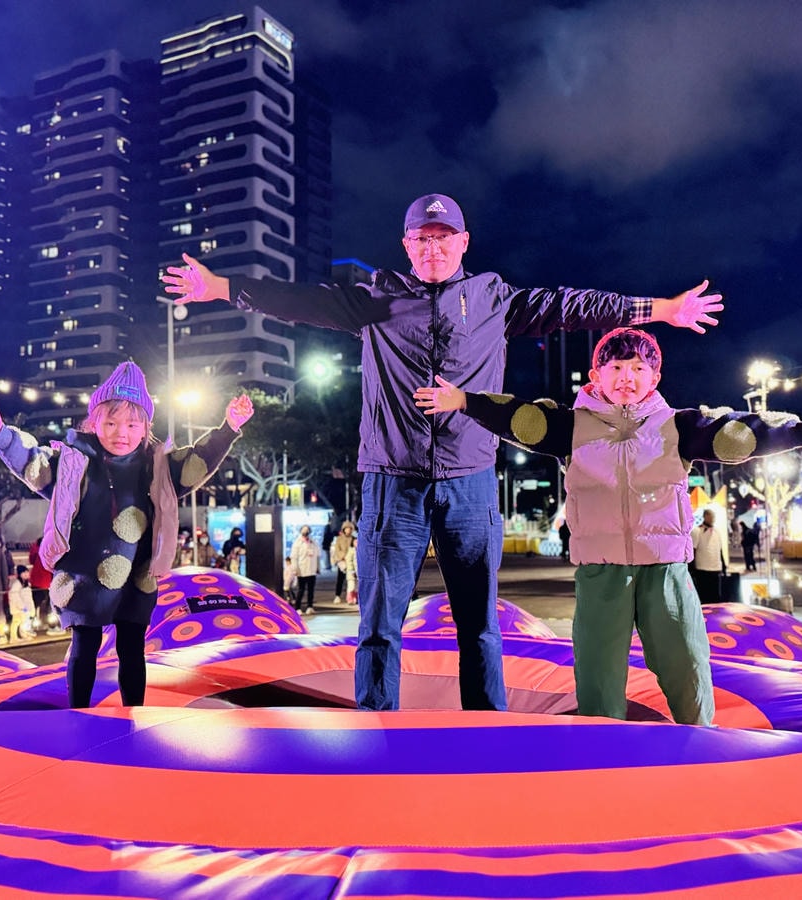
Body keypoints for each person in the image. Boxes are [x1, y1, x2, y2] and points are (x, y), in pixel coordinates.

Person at [163, 192, 723, 712]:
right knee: (380, 622)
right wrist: (220, 287)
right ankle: (374, 725)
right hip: (391, 479)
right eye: (421, 239)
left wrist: (659, 309)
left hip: (471, 480)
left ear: (463, 242)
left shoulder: (492, 299)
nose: (433, 248)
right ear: (408, 246)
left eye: (443, 237)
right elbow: (299, 301)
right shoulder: (376, 299)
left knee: (479, 622)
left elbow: (571, 306)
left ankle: (489, 724)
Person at [415, 326, 802, 724]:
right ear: (596, 375)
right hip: (601, 570)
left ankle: (700, 736)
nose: (627, 376)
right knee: (598, 667)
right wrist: (463, 401)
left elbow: (739, 434)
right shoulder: (568, 426)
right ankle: (600, 747)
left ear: (654, 379)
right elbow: (520, 417)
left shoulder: (678, 426)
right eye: (615, 367)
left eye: (638, 368)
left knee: (685, 659)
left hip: (665, 568)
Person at [0, 360, 254, 708]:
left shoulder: (157, 464)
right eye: (111, 422)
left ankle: (134, 714)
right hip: (83, 574)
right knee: (84, 646)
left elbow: (197, 462)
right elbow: (33, 461)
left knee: (132, 647)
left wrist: (228, 429)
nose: (122, 432)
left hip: (137, 574)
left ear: (146, 426)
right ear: (94, 421)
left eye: (133, 424)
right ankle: (78, 714)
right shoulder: (75, 461)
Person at [691, 509, 726, 604]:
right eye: (711, 516)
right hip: (702, 569)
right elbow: (692, 551)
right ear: (705, 516)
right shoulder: (697, 531)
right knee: (704, 596)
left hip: (715, 568)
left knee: (716, 597)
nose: (713, 519)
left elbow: (719, 550)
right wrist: (692, 569)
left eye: (714, 516)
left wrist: (723, 566)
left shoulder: (717, 531)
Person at [289, 525, 320, 615]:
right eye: (304, 530)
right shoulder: (297, 543)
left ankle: (310, 606)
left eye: (307, 530)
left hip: (312, 569)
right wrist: (295, 569)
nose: (306, 532)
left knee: (311, 589)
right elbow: (294, 557)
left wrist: (318, 567)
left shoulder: (313, 542)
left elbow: (317, 555)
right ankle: (297, 607)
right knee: (301, 589)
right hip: (301, 570)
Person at [27, 537, 54, 623]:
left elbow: (31, 561)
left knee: (35, 603)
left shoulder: (35, 546)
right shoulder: (52, 546)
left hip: (37, 579)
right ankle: (51, 624)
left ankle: (34, 622)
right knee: (50, 604)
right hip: (49, 580)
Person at [329, 521, 355, 603]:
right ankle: (337, 595)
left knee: (351, 580)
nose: (348, 530)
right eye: (347, 528)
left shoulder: (354, 539)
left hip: (352, 562)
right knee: (340, 579)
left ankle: (351, 597)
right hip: (342, 562)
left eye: (350, 528)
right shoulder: (339, 539)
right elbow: (337, 550)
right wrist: (343, 556)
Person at [8, 565, 35, 640]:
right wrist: (22, 607)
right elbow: (14, 596)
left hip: (24, 608)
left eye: (27, 572)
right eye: (24, 572)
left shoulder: (27, 584)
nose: (26, 574)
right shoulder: (17, 584)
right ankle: (13, 637)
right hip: (18, 608)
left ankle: (23, 635)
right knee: (16, 622)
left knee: (23, 622)